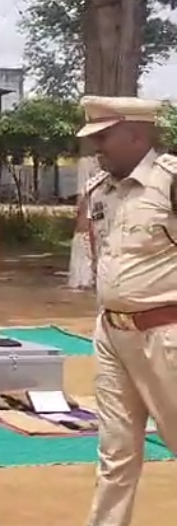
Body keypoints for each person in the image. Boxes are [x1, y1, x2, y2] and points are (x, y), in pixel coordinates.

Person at [76, 95, 177, 526]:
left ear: (136, 135)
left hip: (165, 334)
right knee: (115, 450)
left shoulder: (170, 182)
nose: (96, 147)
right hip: (112, 335)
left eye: (104, 137)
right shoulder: (100, 190)